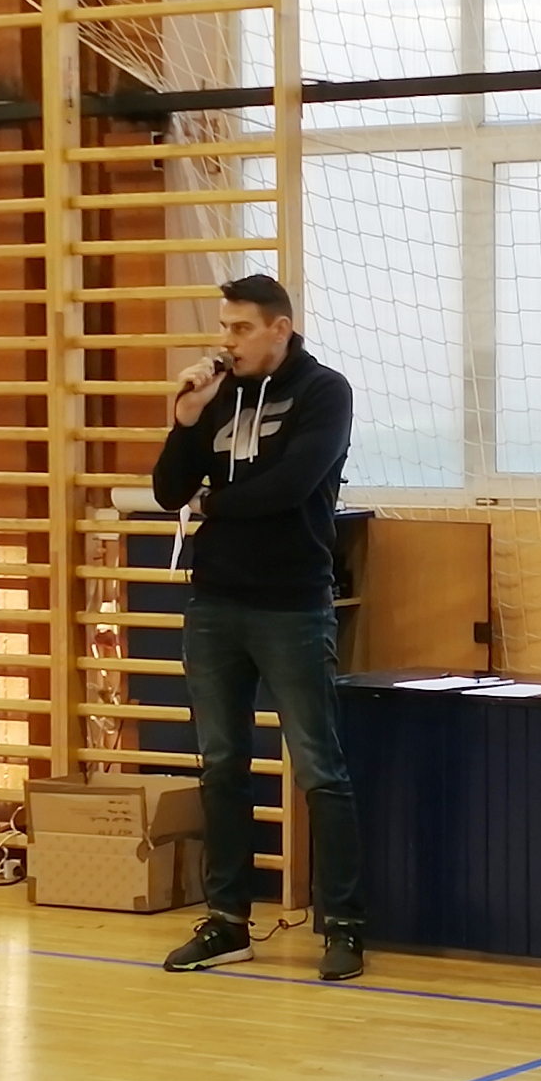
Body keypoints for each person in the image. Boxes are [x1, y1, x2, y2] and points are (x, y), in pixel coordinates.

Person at [152, 273, 367, 982]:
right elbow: (168, 491)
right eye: (223, 327)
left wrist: (215, 502)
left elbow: (290, 487)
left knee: (319, 767)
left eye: (241, 328)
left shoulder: (324, 391)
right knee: (221, 764)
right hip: (215, 604)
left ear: (280, 328)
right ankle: (227, 922)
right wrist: (187, 419)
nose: (227, 341)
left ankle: (343, 924)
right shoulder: (219, 394)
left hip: (292, 604)